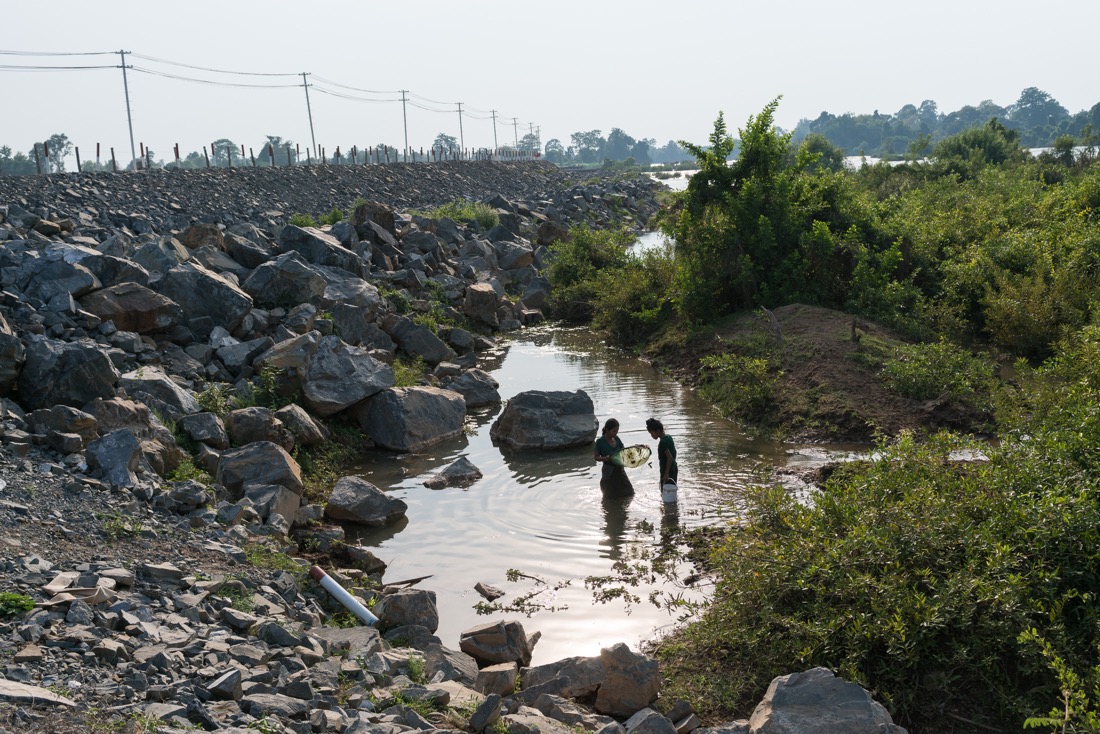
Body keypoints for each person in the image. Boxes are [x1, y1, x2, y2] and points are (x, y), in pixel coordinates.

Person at [594, 418, 634, 496]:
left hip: (619, 469)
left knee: (629, 493)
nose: (615, 433)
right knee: (609, 495)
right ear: (607, 430)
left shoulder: (617, 438)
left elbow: (623, 450)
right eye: (614, 431)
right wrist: (605, 458)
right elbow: (596, 457)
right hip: (608, 471)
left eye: (617, 431)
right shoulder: (600, 442)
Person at [646, 417, 677, 490]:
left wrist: (666, 473)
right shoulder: (669, 437)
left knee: (665, 492)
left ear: (658, 431)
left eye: (652, 433)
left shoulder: (662, 442)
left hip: (667, 470)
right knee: (672, 491)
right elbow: (674, 453)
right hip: (674, 468)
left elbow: (669, 458)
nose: (652, 436)